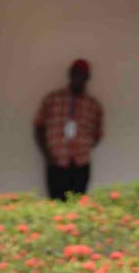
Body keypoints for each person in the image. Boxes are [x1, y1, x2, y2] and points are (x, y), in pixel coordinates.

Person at [33, 58, 103, 200]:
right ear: (70, 74)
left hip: (81, 165)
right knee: (56, 206)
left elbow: (97, 135)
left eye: (82, 74)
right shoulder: (52, 99)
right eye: (76, 73)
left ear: (88, 77)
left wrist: (82, 148)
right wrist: (48, 157)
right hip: (56, 162)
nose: (78, 77)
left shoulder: (94, 106)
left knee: (78, 205)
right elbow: (39, 127)